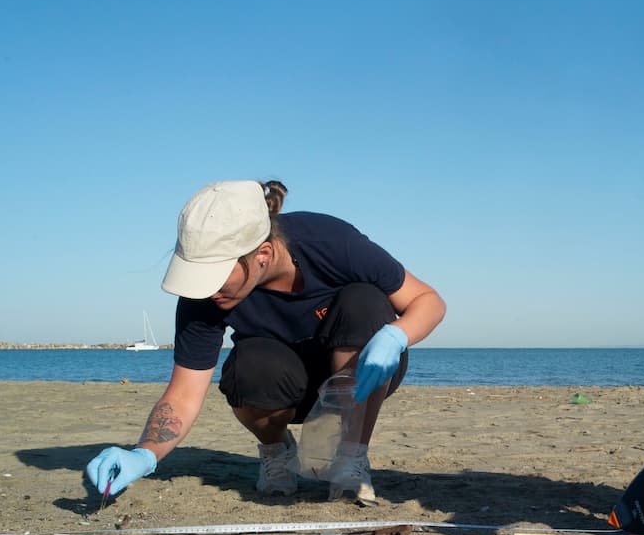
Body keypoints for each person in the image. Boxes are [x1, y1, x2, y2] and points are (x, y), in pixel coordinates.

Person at [85, 180, 445, 505]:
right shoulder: (203, 297)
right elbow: (183, 394)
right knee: (249, 364)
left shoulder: (332, 243)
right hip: (280, 387)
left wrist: (395, 335)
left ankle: (351, 456)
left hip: (360, 378)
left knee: (365, 301)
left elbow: (428, 301)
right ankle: (276, 453)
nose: (207, 290)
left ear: (263, 255)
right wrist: (144, 455)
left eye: (214, 277)